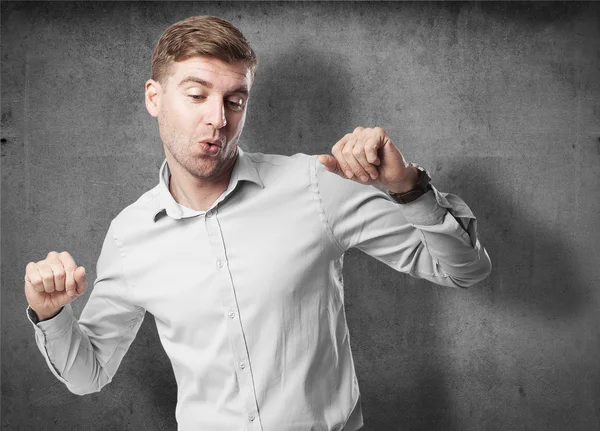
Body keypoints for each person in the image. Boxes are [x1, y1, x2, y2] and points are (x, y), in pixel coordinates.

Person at [24, 15, 491, 431]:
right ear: (154, 97)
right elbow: (89, 375)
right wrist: (51, 315)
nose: (217, 120)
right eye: (196, 95)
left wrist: (406, 185)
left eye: (235, 100)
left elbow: (464, 270)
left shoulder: (314, 183)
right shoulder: (130, 235)